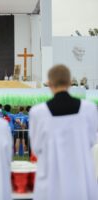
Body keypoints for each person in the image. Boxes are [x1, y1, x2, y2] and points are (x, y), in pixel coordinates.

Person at [29, 64, 98, 200]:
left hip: (50, 178)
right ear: (70, 82)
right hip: (80, 177)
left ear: (49, 84)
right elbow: (92, 141)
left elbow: (36, 148)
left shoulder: (38, 112)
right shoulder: (89, 109)